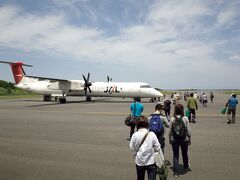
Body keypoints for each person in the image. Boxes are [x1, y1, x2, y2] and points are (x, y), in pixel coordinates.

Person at [130, 116, 160, 180]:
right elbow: (158, 147)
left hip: (140, 161)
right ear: (147, 124)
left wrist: (137, 149)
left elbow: (132, 148)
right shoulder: (152, 134)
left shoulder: (135, 135)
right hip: (151, 161)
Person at [169, 104, 191, 177]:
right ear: (182, 110)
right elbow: (188, 130)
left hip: (175, 139)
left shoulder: (172, 118)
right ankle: (185, 167)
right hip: (184, 139)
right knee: (185, 153)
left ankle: (176, 172)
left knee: (175, 155)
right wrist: (189, 138)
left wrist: (170, 139)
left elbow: (170, 131)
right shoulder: (185, 118)